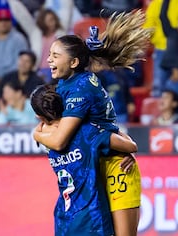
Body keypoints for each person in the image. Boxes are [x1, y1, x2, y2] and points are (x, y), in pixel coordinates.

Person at [33, 10, 152, 236]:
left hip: (113, 163)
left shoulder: (81, 88)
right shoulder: (67, 84)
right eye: (50, 54)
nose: (49, 59)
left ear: (74, 62)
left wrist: (37, 135)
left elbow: (59, 141)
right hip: (93, 165)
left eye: (56, 55)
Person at [31, 84, 137, 235]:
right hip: (91, 213)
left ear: (39, 117)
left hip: (64, 216)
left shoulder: (43, 135)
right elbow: (130, 146)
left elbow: (57, 140)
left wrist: (36, 135)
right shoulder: (87, 131)